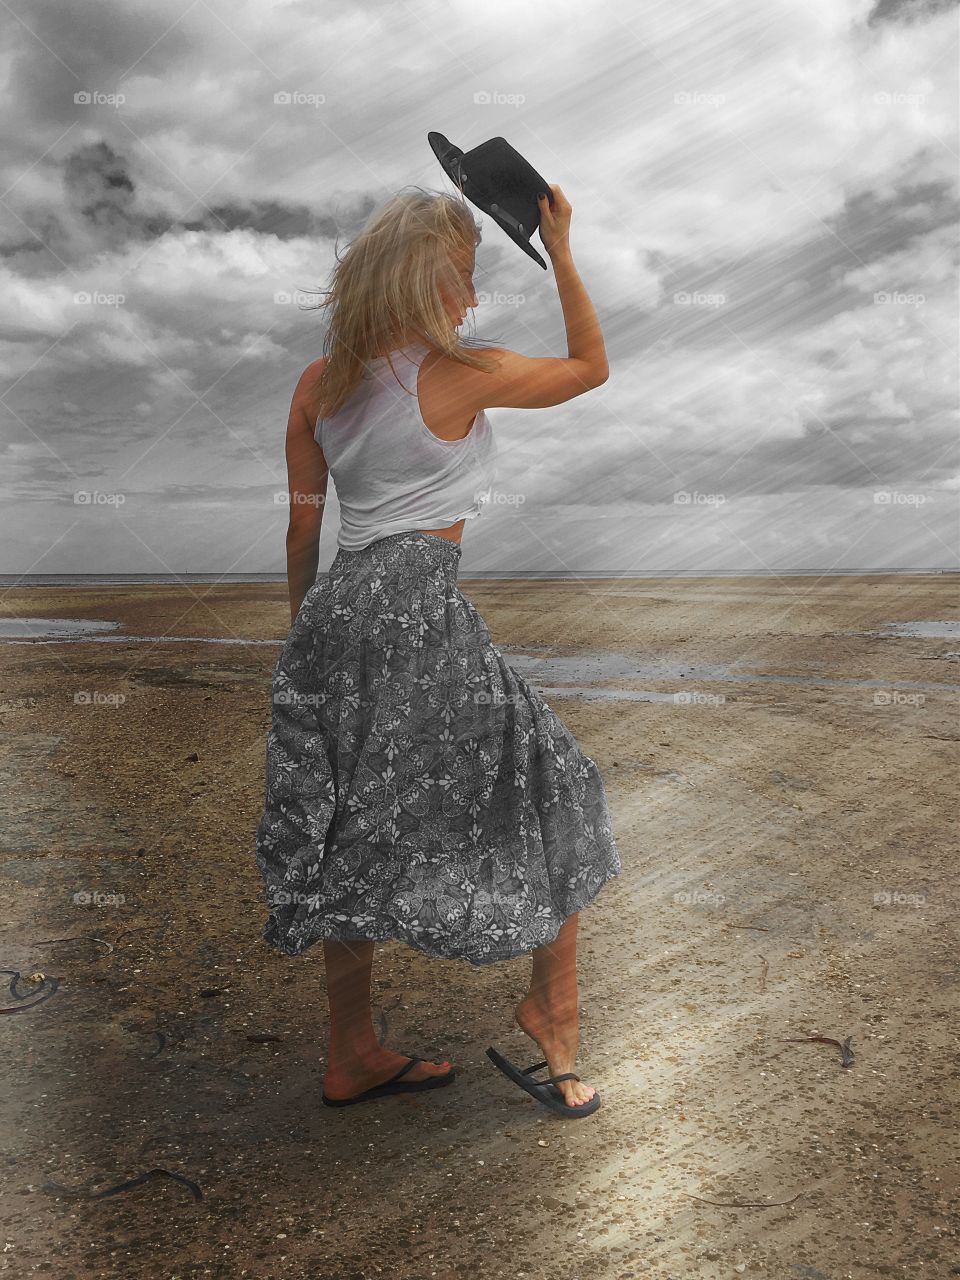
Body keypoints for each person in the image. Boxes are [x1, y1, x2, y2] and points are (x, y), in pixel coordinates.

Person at [254, 182, 621, 1115]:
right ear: (425, 281)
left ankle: (353, 1051)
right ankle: (553, 1013)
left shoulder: (316, 383)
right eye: (464, 275)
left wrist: (305, 652)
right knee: (558, 780)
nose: (469, 295)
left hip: (336, 611)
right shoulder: (463, 368)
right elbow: (590, 368)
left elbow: (303, 533)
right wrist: (563, 248)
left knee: (348, 815)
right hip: (416, 604)